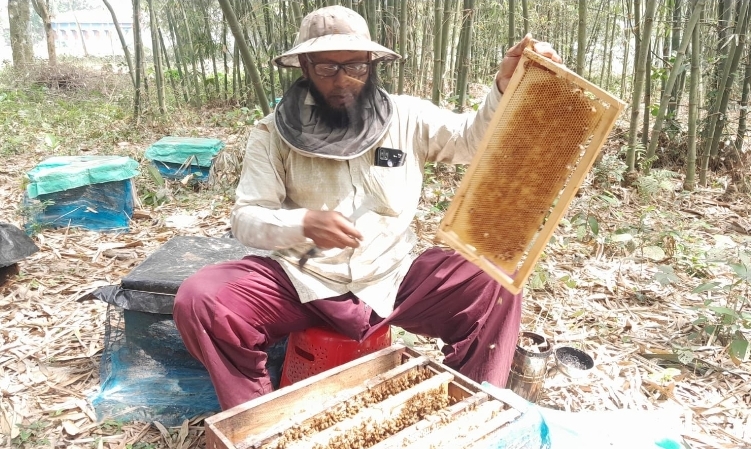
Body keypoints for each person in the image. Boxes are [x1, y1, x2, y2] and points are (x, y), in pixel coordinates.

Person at [173, 5, 562, 410]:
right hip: (303, 280)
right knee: (202, 298)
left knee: (497, 280)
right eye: (326, 68)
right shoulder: (272, 132)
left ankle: (470, 409)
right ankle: (257, 418)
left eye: (354, 66)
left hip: (393, 277)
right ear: (304, 66)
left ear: (371, 64)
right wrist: (301, 223)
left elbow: (470, 140)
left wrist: (504, 86)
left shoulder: (408, 115)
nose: (342, 80)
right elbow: (246, 218)